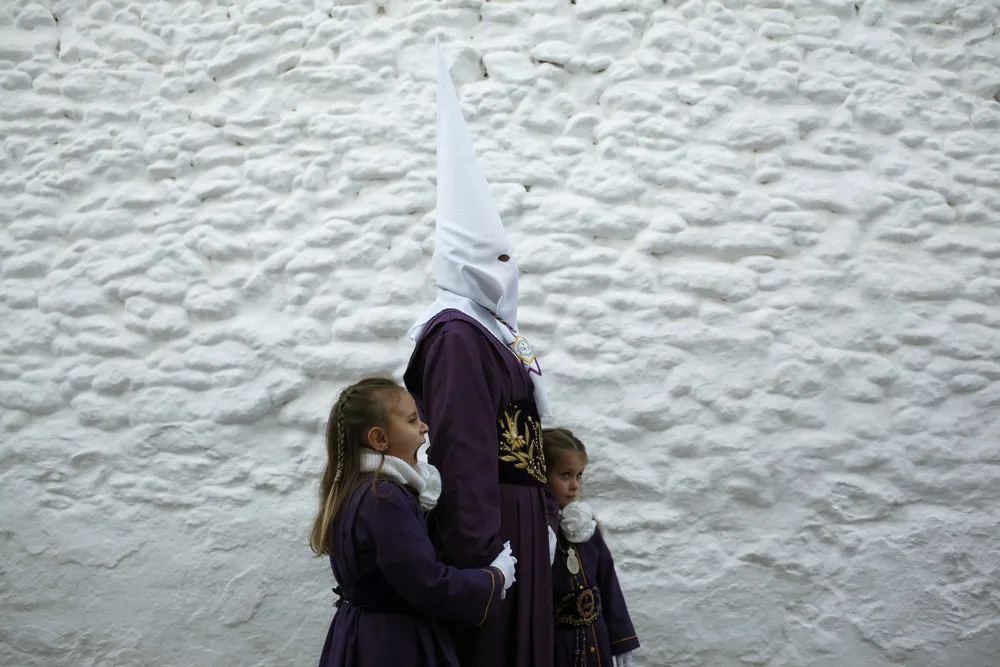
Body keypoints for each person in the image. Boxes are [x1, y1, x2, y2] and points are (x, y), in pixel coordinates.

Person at [402, 42, 559, 667]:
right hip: (494, 532)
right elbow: (464, 451)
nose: (504, 270)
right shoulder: (458, 336)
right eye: (488, 257)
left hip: (520, 519)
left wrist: (544, 514)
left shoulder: (489, 331)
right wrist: (477, 563)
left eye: (506, 254)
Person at [312, 376, 518, 667]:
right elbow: (426, 583)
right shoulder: (382, 496)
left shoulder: (361, 488)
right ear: (380, 439)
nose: (424, 426)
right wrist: (494, 578)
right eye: (411, 420)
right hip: (393, 643)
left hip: (362, 633)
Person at [544, 428, 640, 667]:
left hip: (596, 642)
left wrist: (622, 640)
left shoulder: (587, 527)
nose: (575, 485)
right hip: (557, 647)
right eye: (565, 475)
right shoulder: (536, 534)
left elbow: (608, 583)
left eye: (579, 475)